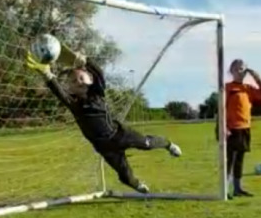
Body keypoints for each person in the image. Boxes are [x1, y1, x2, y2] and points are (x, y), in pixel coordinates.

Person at [24, 43, 182, 194]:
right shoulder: (74, 104)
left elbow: (99, 73)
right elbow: (59, 92)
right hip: (104, 147)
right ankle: (137, 184)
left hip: (120, 135)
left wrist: (85, 61)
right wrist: (47, 74)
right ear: (69, 87)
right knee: (125, 176)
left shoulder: (97, 94)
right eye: (73, 81)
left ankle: (168, 144)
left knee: (146, 143)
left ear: (90, 80)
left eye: (81, 78)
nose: (77, 81)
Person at [218, 59, 261, 198]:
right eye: (237, 69)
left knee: (239, 160)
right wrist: (223, 127)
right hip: (231, 129)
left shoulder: (248, 88)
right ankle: (225, 190)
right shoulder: (227, 88)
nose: (240, 72)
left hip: (244, 128)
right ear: (231, 71)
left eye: (243, 69)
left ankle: (237, 188)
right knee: (229, 160)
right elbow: (221, 109)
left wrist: (256, 77)